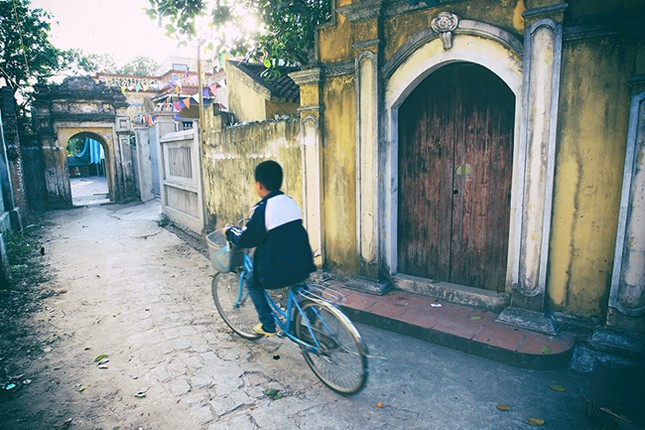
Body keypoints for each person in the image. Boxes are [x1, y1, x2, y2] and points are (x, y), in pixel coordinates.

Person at [225, 160, 316, 336]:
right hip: (303, 260)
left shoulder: (262, 208)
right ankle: (312, 314)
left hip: (277, 267)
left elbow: (248, 239)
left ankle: (268, 325)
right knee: (297, 282)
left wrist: (229, 231)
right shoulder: (289, 201)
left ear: (258, 185)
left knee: (252, 282)